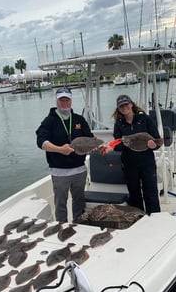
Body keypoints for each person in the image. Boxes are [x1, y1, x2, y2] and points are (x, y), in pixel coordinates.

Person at [36, 87, 93, 223]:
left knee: (79, 202)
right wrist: (59, 149)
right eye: (61, 100)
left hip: (79, 170)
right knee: (61, 204)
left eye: (67, 99)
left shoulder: (79, 119)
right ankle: (61, 226)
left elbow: (90, 138)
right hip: (59, 172)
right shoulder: (49, 121)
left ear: (71, 101)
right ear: (57, 101)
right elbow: (41, 142)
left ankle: (78, 225)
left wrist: (96, 146)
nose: (64, 103)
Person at [105, 94, 162, 215]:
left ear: (131, 104)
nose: (124, 107)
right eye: (121, 106)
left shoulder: (145, 119)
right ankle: (138, 218)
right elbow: (118, 144)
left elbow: (157, 140)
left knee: (150, 192)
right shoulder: (119, 124)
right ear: (118, 109)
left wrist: (154, 145)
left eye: (126, 104)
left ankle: (155, 219)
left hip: (147, 163)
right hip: (129, 164)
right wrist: (116, 146)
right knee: (134, 194)